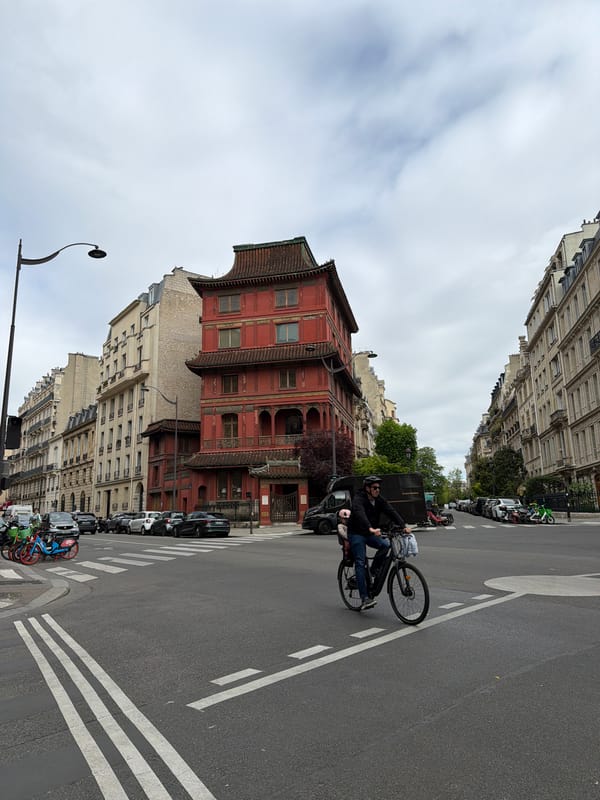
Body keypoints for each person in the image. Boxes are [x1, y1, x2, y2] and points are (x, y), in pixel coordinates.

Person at [348, 475, 408, 611]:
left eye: (379, 488)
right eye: (375, 487)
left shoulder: (379, 500)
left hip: (370, 532)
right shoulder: (359, 499)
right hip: (357, 532)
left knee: (385, 545)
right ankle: (364, 598)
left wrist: (404, 526)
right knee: (360, 561)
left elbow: (391, 511)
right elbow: (359, 513)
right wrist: (370, 527)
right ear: (368, 488)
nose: (377, 490)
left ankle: (374, 571)